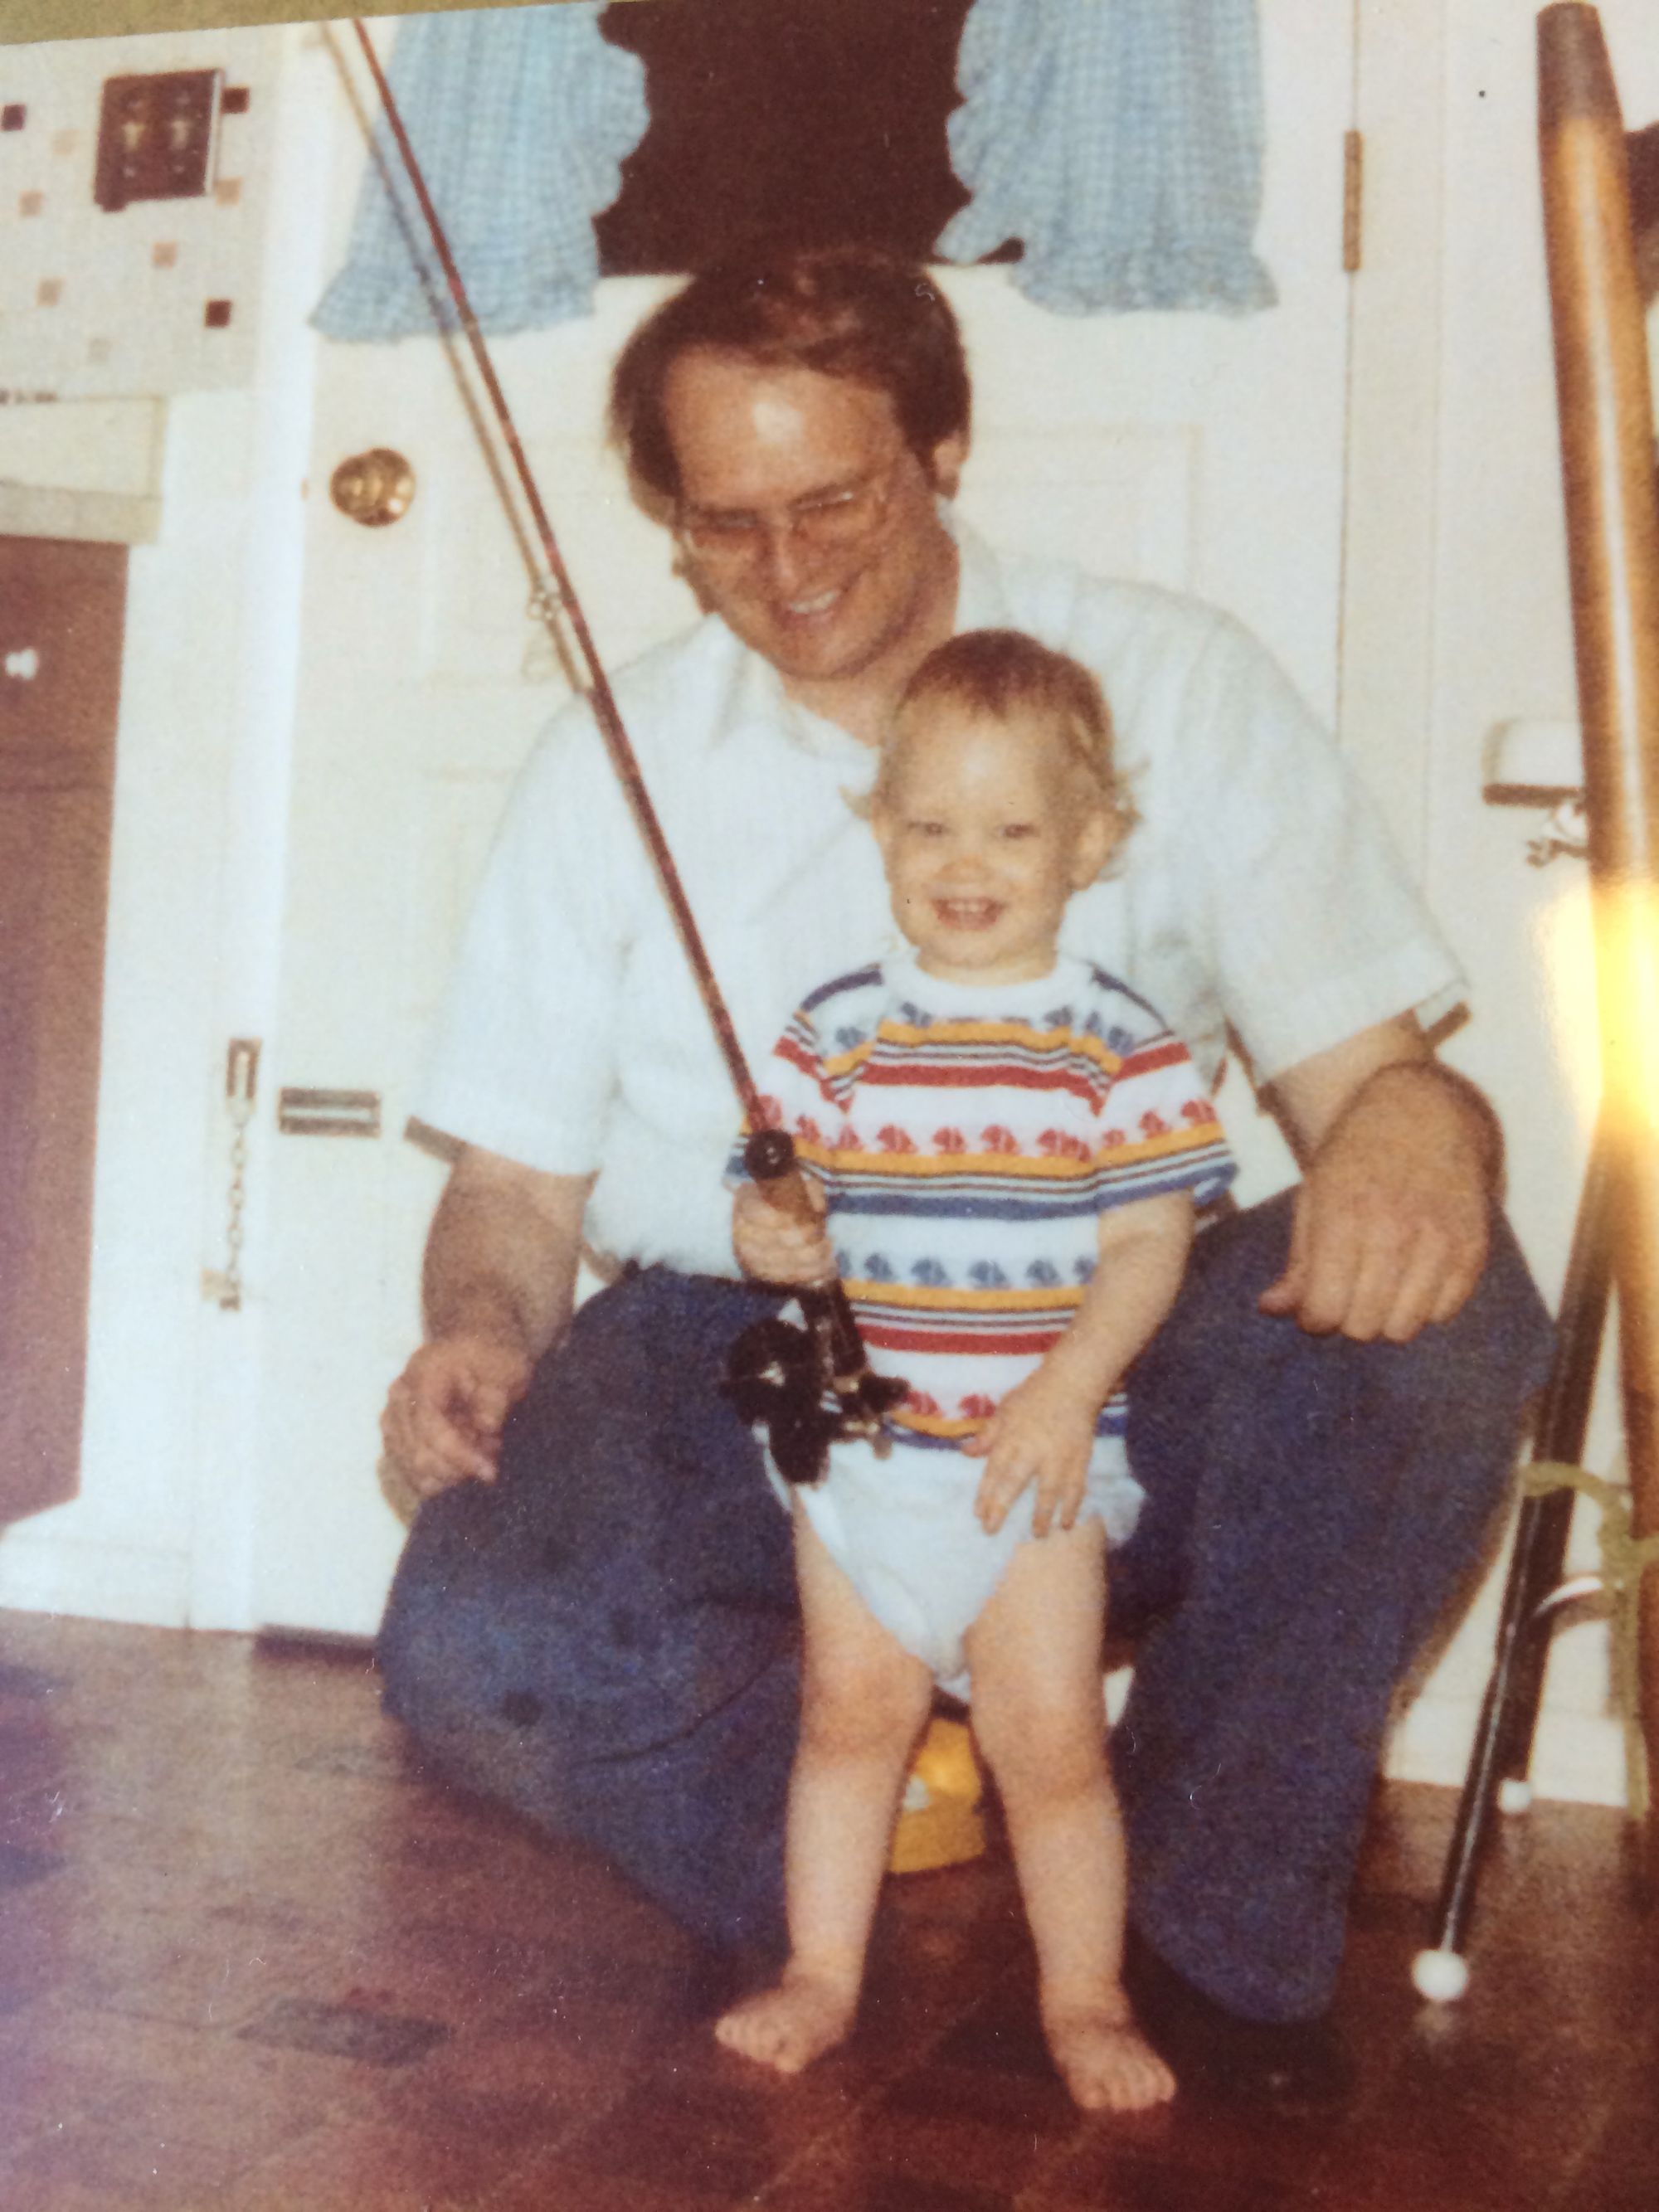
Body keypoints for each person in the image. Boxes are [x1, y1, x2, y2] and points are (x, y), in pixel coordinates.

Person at [377, 246, 1554, 2108]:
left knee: (1444, 1300)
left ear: (943, 446)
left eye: (832, 498)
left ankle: (1185, 1900)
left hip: (1099, 1346)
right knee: (480, 1645)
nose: (787, 569)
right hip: (745, 1349)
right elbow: (515, 1186)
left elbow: (1377, 1079)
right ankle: (902, 1839)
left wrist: (1418, 1133)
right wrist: (472, 1327)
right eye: (722, 523)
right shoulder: (609, 755)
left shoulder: (1173, 675)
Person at [713, 629, 1235, 2108]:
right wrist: (778, 1237)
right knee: (848, 1718)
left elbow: (1148, 1248)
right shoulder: (837, 1031)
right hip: (869, 1460)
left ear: (1091, 842)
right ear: (880, 829)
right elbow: (777, 1210)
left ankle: (1085, 1994)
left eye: (1013, 830)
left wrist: (1069, 1391)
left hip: (1035, 1458)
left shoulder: (1117, 1045)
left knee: (1050, 1743)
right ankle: (822, 1970)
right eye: (929, 823)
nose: (967, 860)